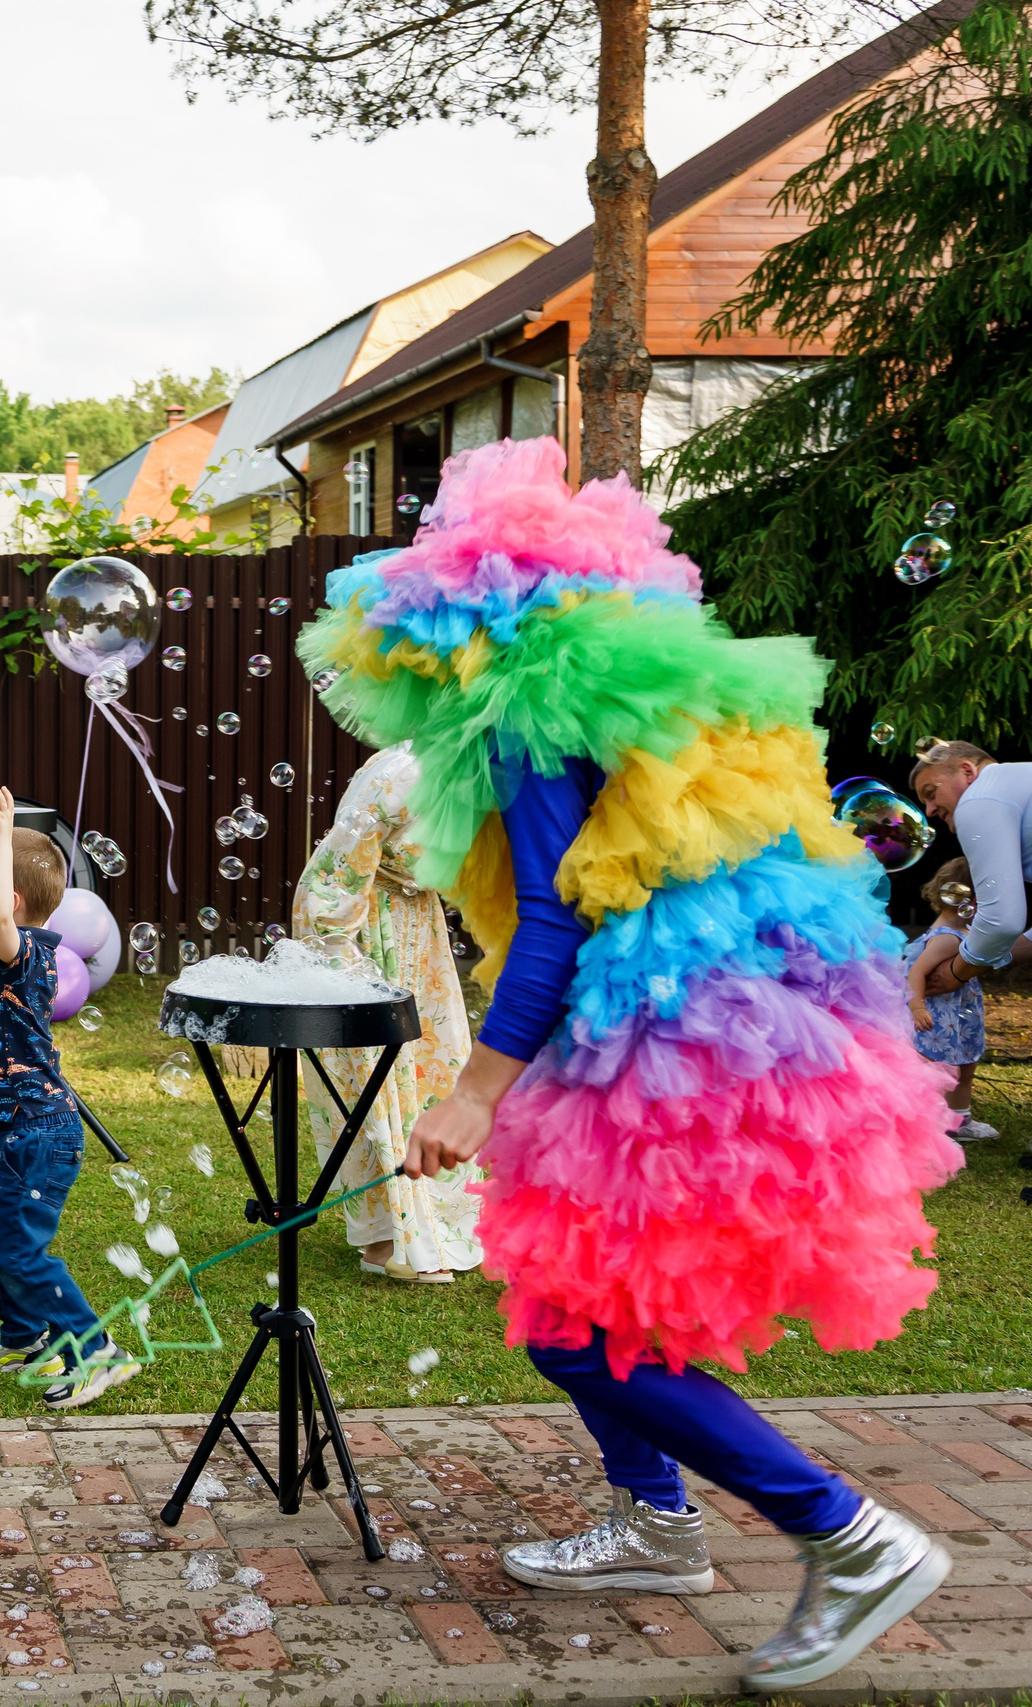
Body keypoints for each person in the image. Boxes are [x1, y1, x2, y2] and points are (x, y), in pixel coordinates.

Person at [304, 437, 959, 1692]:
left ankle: (851, 1536)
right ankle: (657, 1526)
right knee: (589, 1292)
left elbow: (558, 911)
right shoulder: (627, 685)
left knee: (571, 1322)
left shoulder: (525, 713)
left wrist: (477, 1089)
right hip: (731, 1014)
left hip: (666, 1039)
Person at [0, 787, 138, 1411]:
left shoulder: (22, 954)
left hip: (39, 1132)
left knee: (20, 1250)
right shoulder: (7, 949)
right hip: (14, 1127)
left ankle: (96, 1348)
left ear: (10, 902)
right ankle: (29, 1338)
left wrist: (1, 832)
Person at [290, 740, 481, 1282]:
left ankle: (438, 1222)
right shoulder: (401, 775)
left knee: (432, 1076)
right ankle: (392, 1237)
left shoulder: (474, 768)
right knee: (377, 1083)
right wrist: (346, 971)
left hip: (420, 933)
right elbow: (327, 880)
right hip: (371, 938)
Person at [911, 741, 1032, 987]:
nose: (929, 811)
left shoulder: (977, 799)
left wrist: (956, 973)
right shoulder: (1016, 781)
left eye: (931, 793)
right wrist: (990, 958)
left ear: (968, 772)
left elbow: (1002, 921)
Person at [904, 859, 999, 1141]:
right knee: (939, 1073)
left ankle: (959, 1120)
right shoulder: (947, 938)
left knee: (964, 1067)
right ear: (970, 899)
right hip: (939, 1020)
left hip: (960, 1017)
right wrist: (917, 1007)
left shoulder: (959, 933)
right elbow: (916, 973)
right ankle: (931, 1124)